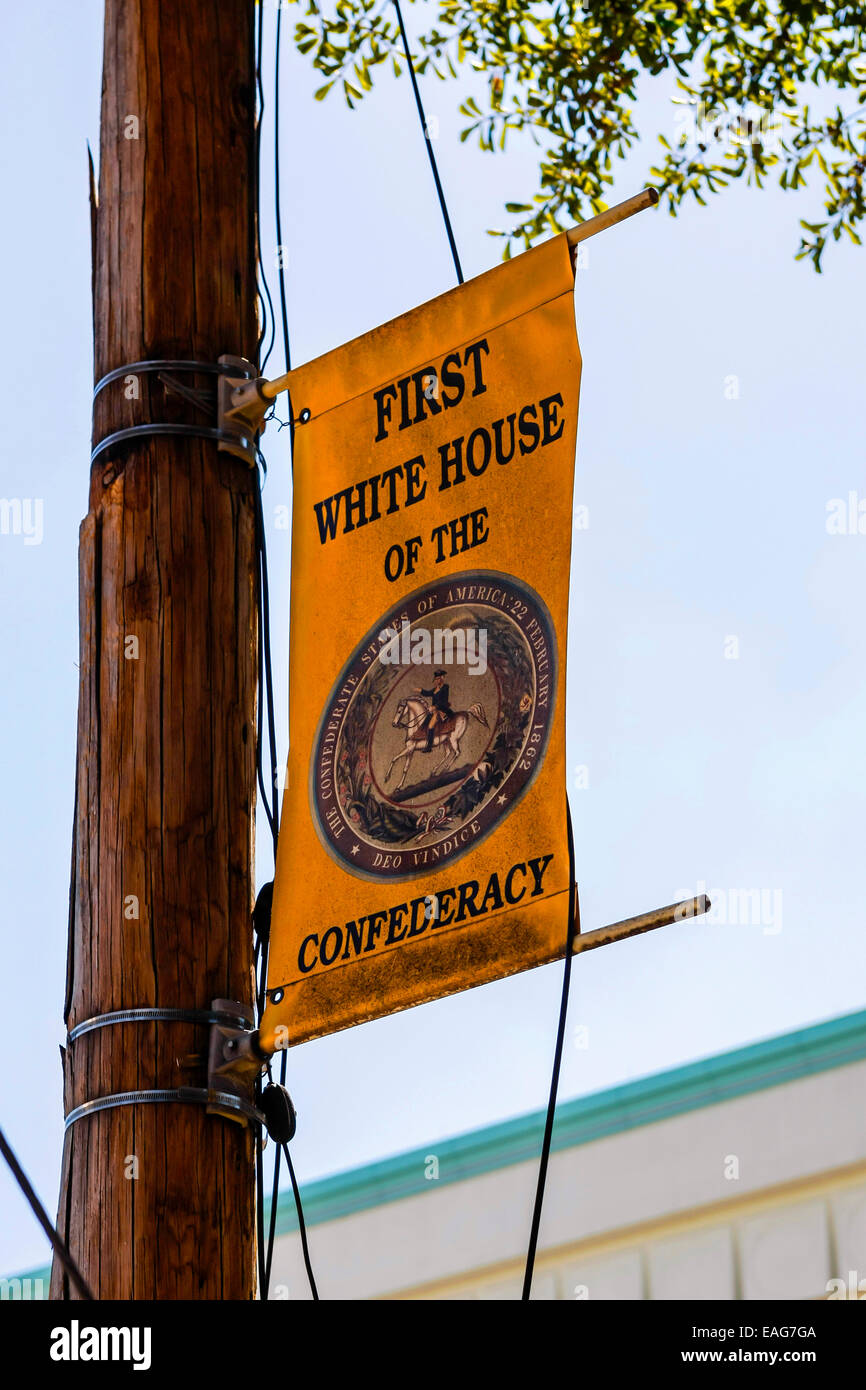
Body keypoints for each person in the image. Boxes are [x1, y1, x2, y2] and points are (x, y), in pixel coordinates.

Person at [416, 670, 454, 752]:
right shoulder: (435, 689)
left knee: (430, 725)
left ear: (442, 678)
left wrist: (435, 706)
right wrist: (420, 690)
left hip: (442, 709)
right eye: (436, 679)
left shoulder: (445, 687)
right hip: (434, 709)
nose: (437, 680)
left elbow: (444, 700)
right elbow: (427, 693)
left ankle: (429, 747)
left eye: (439, 678)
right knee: (424, 722)